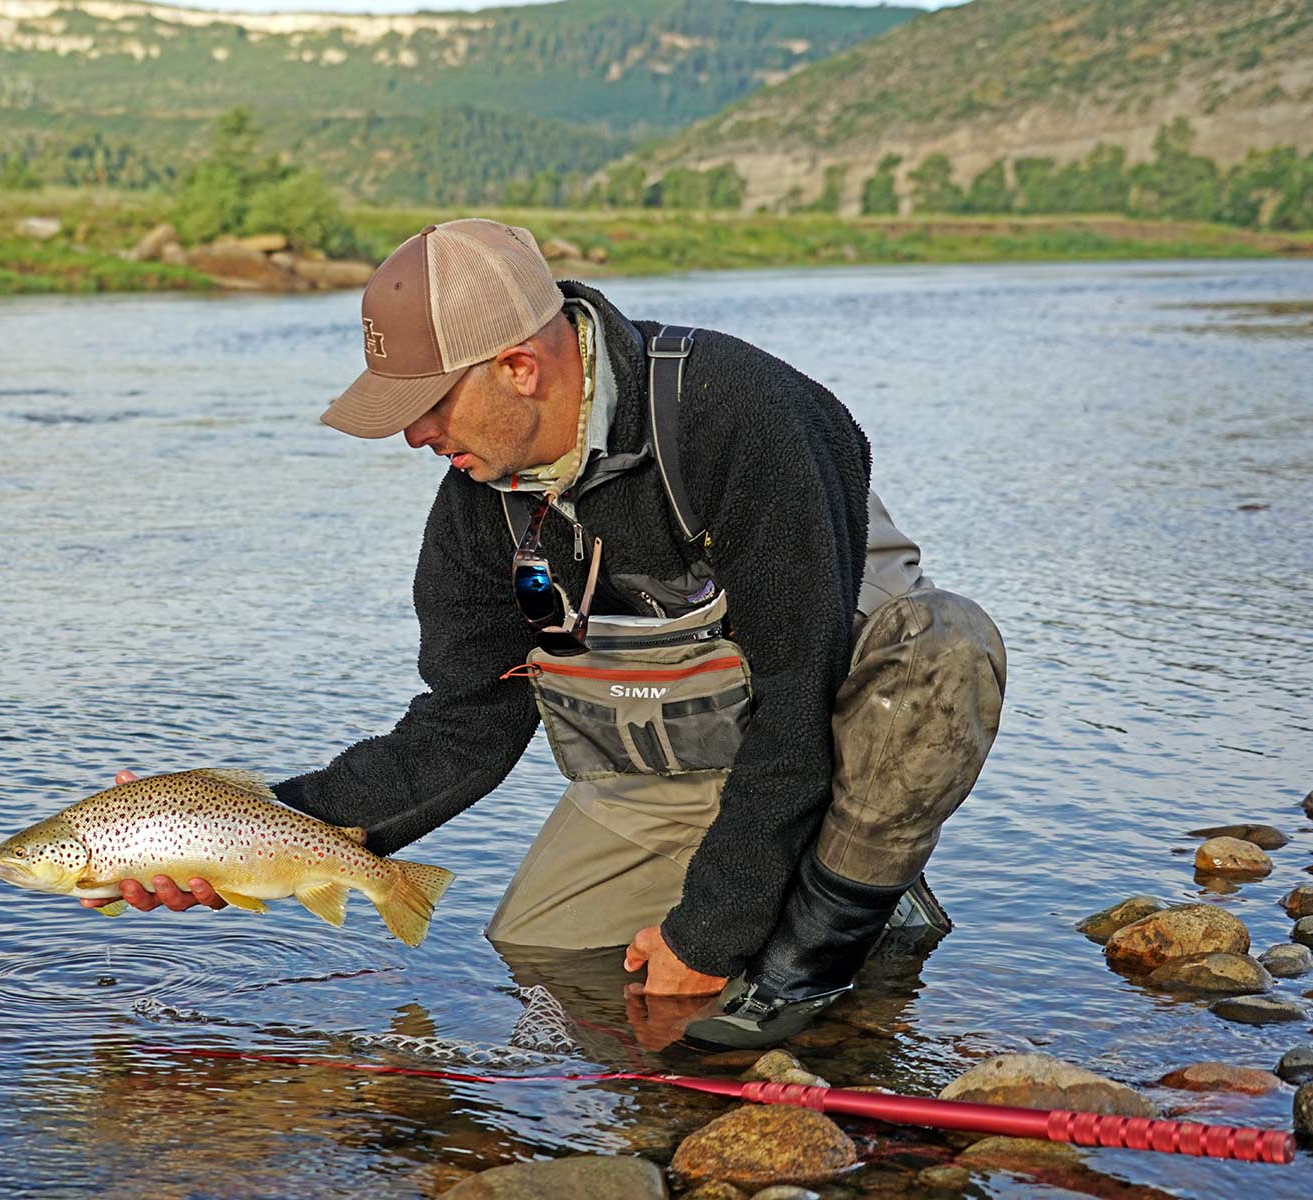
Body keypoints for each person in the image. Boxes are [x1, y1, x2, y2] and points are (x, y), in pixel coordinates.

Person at [89, 219, 1007, 1049]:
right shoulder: (476, 506)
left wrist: (710, 935)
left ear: (520, 367)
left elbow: (798, 699)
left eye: (428, 404)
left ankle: (835, 931)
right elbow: (465, 723)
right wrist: (249, 833)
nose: (412, 435)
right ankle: (770, 916)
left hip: (824, 740)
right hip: (663, 778)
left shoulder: (744, 418)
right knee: (542, 963)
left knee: (943, 648)